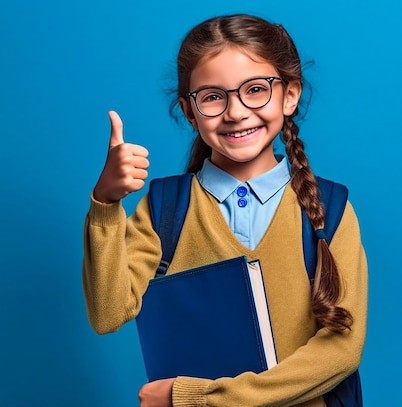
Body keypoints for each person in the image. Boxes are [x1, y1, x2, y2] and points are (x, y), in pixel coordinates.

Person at [82, 14, 367, 407]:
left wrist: (198, 398)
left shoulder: (331, 210)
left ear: (289, 95)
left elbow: (341, 352)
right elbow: (108, 313)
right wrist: (106, 203)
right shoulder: (167, 209)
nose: (235, 112)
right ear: (189, 110)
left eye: (255, 89)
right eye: (214, 96)